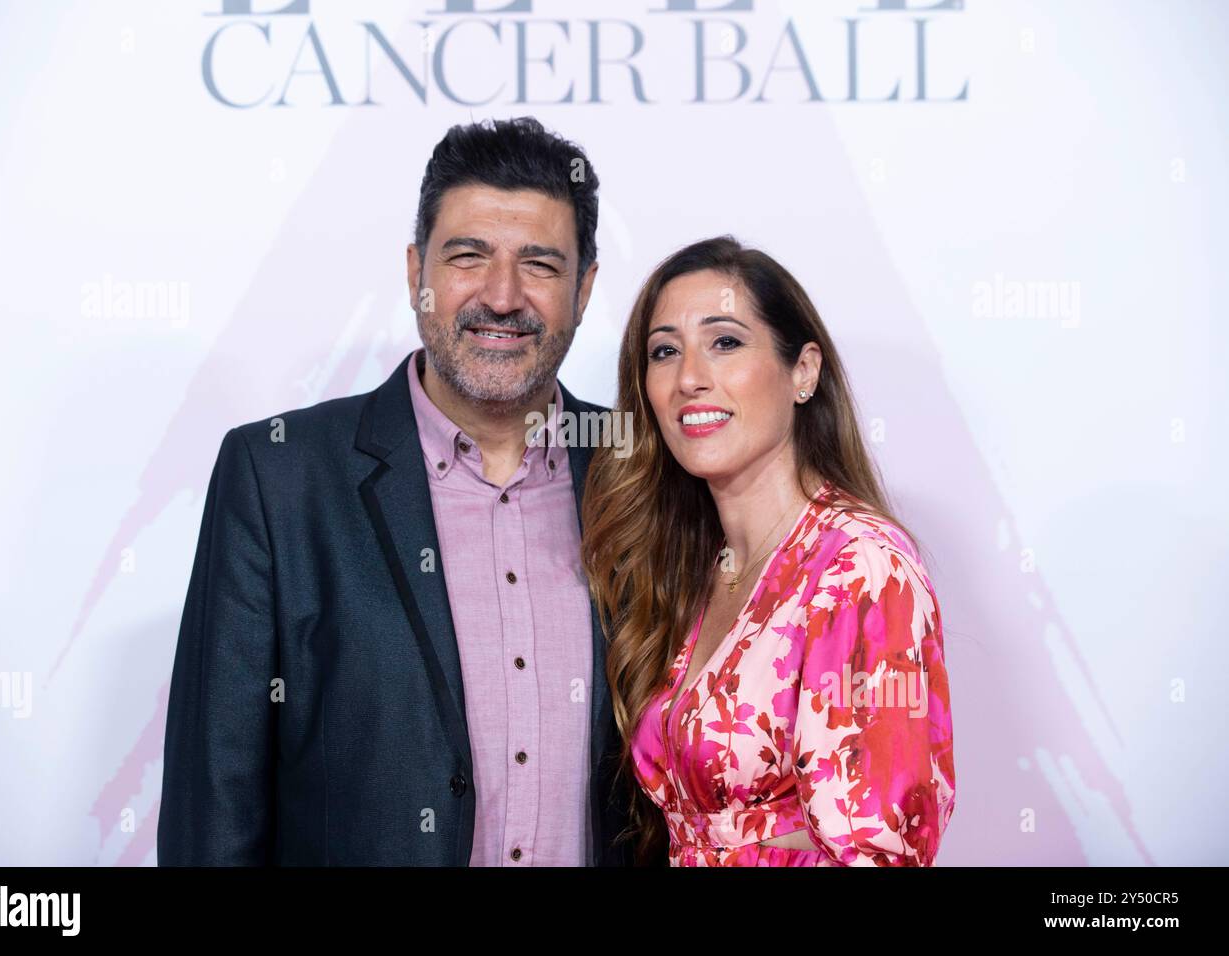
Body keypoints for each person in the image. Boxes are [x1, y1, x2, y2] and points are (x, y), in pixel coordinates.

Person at [158, 116, 633, 866]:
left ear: (585, 288)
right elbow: (215, 805)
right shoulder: (278, 478)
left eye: (540, 264)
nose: (502, 297)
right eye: (468, 256)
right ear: (418, 274)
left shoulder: (640, 473)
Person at [581, 236, 956, 866]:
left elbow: (876, 853)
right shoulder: (691, 572)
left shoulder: (859, 570)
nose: (689, 379)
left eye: (725, 342)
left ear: (803, 371)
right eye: (664, 351)